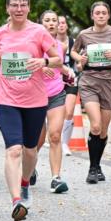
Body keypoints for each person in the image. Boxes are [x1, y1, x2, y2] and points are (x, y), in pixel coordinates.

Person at [0, 0, 62, 221]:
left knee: (29, 150)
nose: (19, 9)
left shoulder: (39, 32)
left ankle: (25, 182)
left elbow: (57, 59)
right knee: (14, 149)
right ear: (7, 8)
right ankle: (16, 200)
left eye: (23, 5)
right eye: (14, 5)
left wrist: (43, 61)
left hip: (35, 100)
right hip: (6, 99)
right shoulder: (0, 32)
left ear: (29, 7)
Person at [70, 1, 111, 183]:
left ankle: (97, 165)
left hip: (109, 81)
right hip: (89, 80)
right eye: (97, 13)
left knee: (103, 130)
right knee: (95, 126)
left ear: (108, 15)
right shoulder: (84, 34)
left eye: (104, 13)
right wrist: (80, 58)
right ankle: (92, 169)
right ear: (92, 16)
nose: (100, 15)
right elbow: (73, 51)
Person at [33, 10, 73, 193]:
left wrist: (67, 72)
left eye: (54, 20)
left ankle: (56, 178)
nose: (51, 23)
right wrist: (41, 68)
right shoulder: (33, 43)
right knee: (37, 140)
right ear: (41, 24)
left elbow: (59, 64)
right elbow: (26, 64)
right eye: (47, 20)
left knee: (55, 135)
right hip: (35, 95)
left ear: (58, 24)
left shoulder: (61, 46)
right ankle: (29, 166)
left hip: (56, 93)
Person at [57, 15, 78, 155]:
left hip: (70, 79)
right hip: (53, 80)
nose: (61, 25)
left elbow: (79, 63)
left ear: (67, 26)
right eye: (58, 23)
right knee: (55, 112)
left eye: (63, 23)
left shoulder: (73, 42)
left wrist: (81, 64)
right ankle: (54, 136)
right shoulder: (49, 42)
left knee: (69, 112)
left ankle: (64, 143)